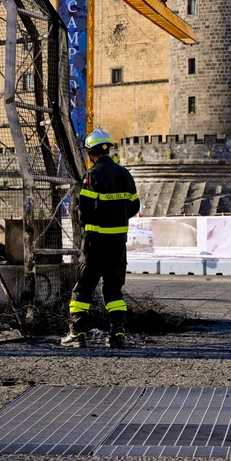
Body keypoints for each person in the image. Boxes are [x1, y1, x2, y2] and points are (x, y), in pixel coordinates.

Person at [62, 128, 140, 349]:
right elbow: (134, 206)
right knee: (113, 291)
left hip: (95, 243)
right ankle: (118, 335)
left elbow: (84, 210)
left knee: (83, 288)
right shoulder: (125, 174)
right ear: (108, 150)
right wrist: (116, 216)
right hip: (117, 244)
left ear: (90, 153)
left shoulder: (92, 175)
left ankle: (77, 334)